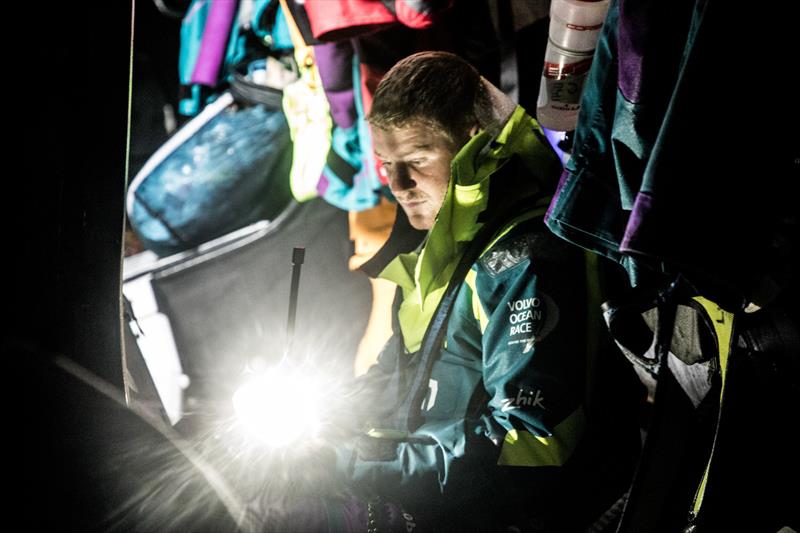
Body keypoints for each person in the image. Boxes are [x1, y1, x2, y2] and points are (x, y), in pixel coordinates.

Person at [319, 51, 643, 533]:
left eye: (416, 160)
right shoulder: (447, 241)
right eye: (386, 164)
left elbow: (529, 443)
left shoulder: (524, 258)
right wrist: (321, 424)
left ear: (474, 142)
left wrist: (355, 464)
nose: (398, 184)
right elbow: (402, 368)